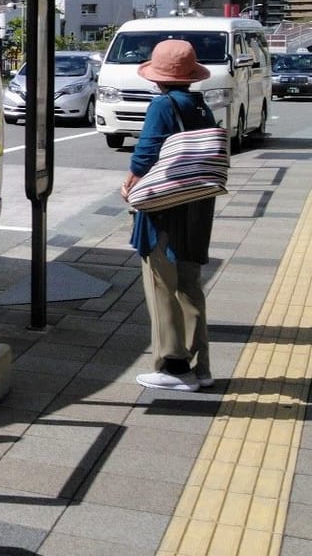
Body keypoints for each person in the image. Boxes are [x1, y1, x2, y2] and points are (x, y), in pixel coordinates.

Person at [120, 39, 218, 392]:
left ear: (158, 77)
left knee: (162, 284)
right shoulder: (200, 105)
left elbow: (146, 151)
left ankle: (173, 367)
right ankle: (200, 366)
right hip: (198, 204)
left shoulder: (163, 105)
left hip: (166, 206)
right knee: (190, 285)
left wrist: (131, 181)